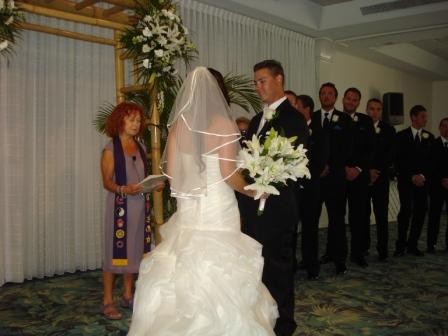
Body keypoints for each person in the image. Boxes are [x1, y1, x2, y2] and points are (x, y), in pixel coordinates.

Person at [128, 66, 278, 336]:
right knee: (222, 270)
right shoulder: (224, 124)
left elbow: (172, 176)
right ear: (220, 94)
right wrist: (256, 191)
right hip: (218, 208)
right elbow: (229, 176)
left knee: (181, 269)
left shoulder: (178, 126)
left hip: (190, 210)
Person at [238, 60, 309, 336]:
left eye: (262, 81)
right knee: (259, 269)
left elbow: (294, 161)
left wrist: (267, 181)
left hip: (278, 208)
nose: (257, 87)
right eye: (255, 82)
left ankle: (284, 325)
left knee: (279, 270)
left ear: (279, 79)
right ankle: (264, 318)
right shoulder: (257, 119)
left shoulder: (294, 118)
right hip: (253, 206)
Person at [100, 102, 152, 320]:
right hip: (120, 208)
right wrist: (124, 189)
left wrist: (153, 185)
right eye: (131, 119)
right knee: (115, 254)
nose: (135, 124)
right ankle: (107, 300)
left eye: (138, 120)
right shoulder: (110, 149)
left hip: (140, 206)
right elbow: (107, 182)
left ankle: (128, 294)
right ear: (119, 120)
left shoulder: (141, 147)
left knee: (133, 252)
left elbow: (141, 179)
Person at [311, 82, 353, 275]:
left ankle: (339, 259)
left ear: (335, 97)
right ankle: (312, 258)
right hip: (316, 179)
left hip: (335, 178)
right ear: (319, 96)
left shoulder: (344, 119)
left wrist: (330, 166)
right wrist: (318, 167)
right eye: (323, 93)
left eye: (330, 94)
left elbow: (346, 148)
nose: (326, 96)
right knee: (312, 219)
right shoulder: (312, 118)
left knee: (337, 220)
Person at [296, 93, 329, 280]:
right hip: (292, 188)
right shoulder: (292, 129)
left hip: (310, 188)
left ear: (307, 109)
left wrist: (305, 174)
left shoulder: (320, 132)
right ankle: (292, 264)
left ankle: (311, 265)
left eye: (297, 107)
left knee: (310, 229)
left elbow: (320, 161)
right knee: (292, 229)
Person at [394, 105, 434, 257]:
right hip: (406, 181)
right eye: (423, 116)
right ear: (413, 117)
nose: (425, 119)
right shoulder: (401, 136)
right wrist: (411, 176)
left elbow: (432, 162)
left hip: (423, 183)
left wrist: (423, 176)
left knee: (420, 213)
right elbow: (398, 161)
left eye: (426, 116)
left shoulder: (429, 137)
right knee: (405, 212)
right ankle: (400, 245)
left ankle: (413, 244)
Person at [342, 88, 375, 267]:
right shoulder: (335, 118)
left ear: (358, 103)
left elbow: (370, 148)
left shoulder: (366, 121)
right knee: (337, 217)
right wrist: (344, 168)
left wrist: (358, 168)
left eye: (355, 100)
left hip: (359, 176)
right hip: (339, 175)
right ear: (343, 99)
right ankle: (335, 253)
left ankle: (357, 253)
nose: (351, 102)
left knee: (358, 217)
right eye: (348, 98)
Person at [365, 98, 396, 261]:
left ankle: (382, 249)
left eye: (378, 109)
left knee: (381, 215)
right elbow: (358, 151)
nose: (374, 112)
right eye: (371, 109)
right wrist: (367, 170)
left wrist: (376, 171)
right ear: (366, 110)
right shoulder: (360, 126)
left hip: (381, 178)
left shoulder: (389, 130)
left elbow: (390, 154)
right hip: (362, 177)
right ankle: (363, 247)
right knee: (363, 215)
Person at [427, 117, 448, 253]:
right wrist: (442, 179)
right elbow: (431, 165)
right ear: (440, 128)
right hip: (437, 186)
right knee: (434, 216)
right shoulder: (433, 144)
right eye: (444, 126)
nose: (447, 129)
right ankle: (431, 244)